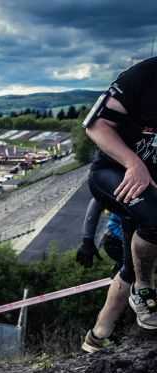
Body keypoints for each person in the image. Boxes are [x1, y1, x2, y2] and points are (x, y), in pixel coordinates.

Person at [84, 56, 157, 332]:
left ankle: (97, 336)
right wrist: (133, 163)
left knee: (129, 268)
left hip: (151, 185)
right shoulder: (143, 75)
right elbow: (96, 126)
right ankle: (144, 290)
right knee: (155, 219)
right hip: (115, 173)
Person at [76, 197, 128, 352]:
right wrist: (87, 240)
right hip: (119, 239)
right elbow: (97, 201)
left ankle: (104, 335)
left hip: (138, 238)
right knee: (130, 280)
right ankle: (101, 335)